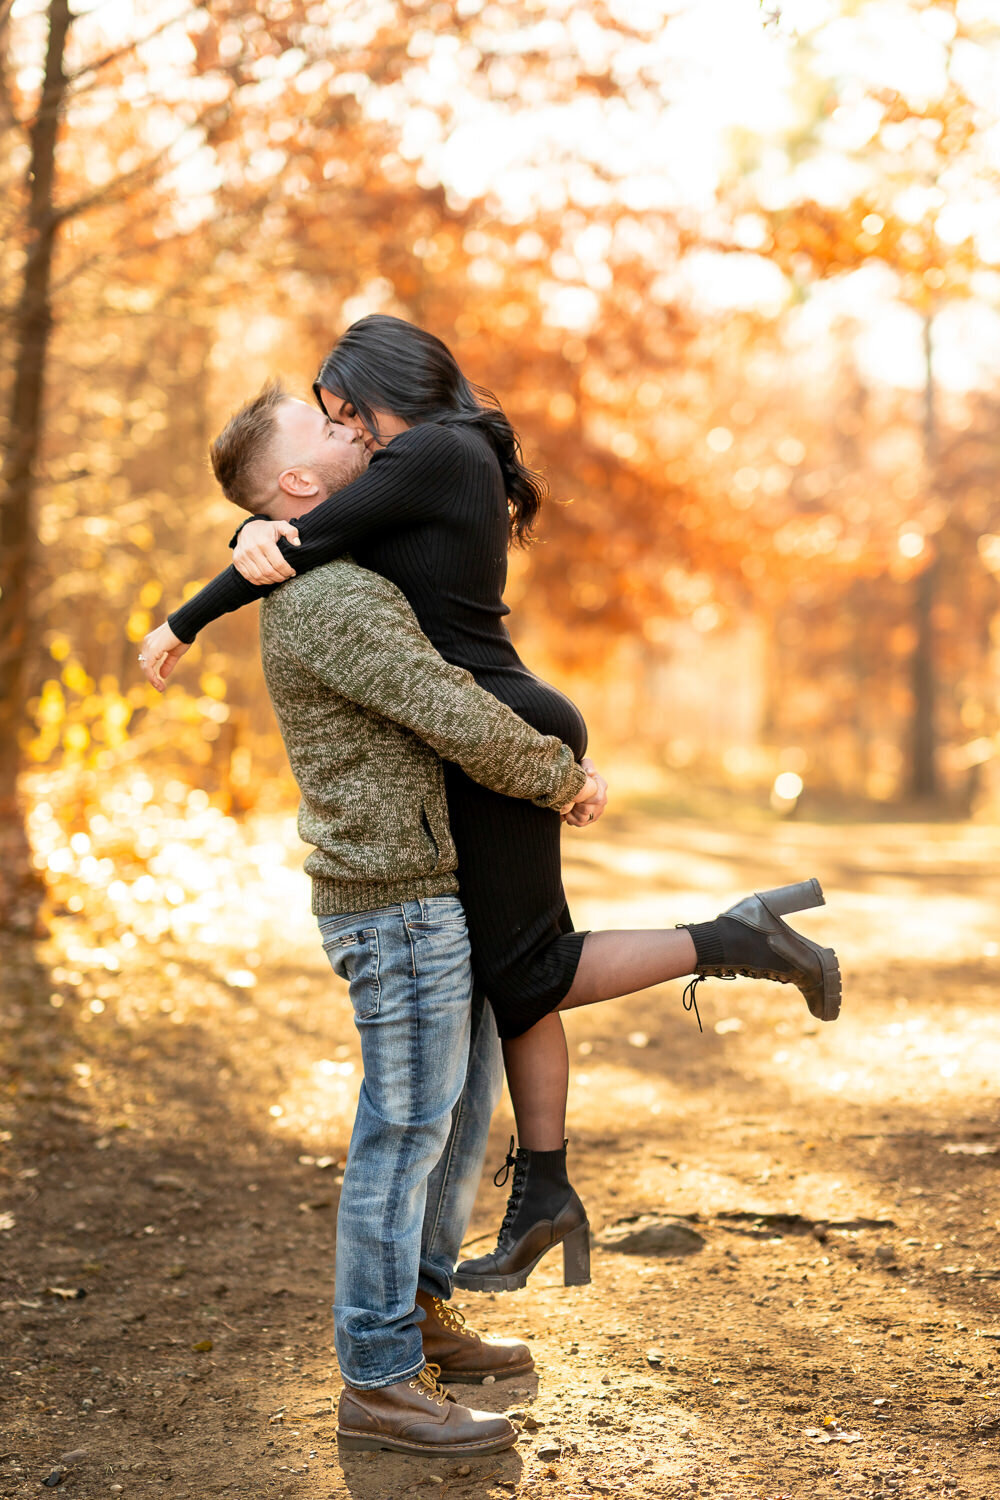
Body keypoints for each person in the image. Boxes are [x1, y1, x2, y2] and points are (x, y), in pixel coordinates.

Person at [139, 314, 841, 1298]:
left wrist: (185, 618)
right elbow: (302, 531)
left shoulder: (436, 449)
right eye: (331, 426)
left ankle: (735, 936)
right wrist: (250, 531)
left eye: (349, 415)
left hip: (493, 726)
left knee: (532, 970)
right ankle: (544, 1196)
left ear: (389, 393)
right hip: (487, 722)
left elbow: (306, 532)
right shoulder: (426, 465)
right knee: (516, 982)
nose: (353, 437)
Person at [148, 381, 600, 1455]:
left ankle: (422, 1316)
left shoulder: (338, 557)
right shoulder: (328, 597)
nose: (353, 428)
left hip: (427, 889)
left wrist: (251, 537)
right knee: (401, 1136)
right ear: (299, 482)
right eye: (327, 428)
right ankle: (378, 1378)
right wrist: (556, 775)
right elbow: (443, 707)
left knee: (443, 1126)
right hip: (391, 904)